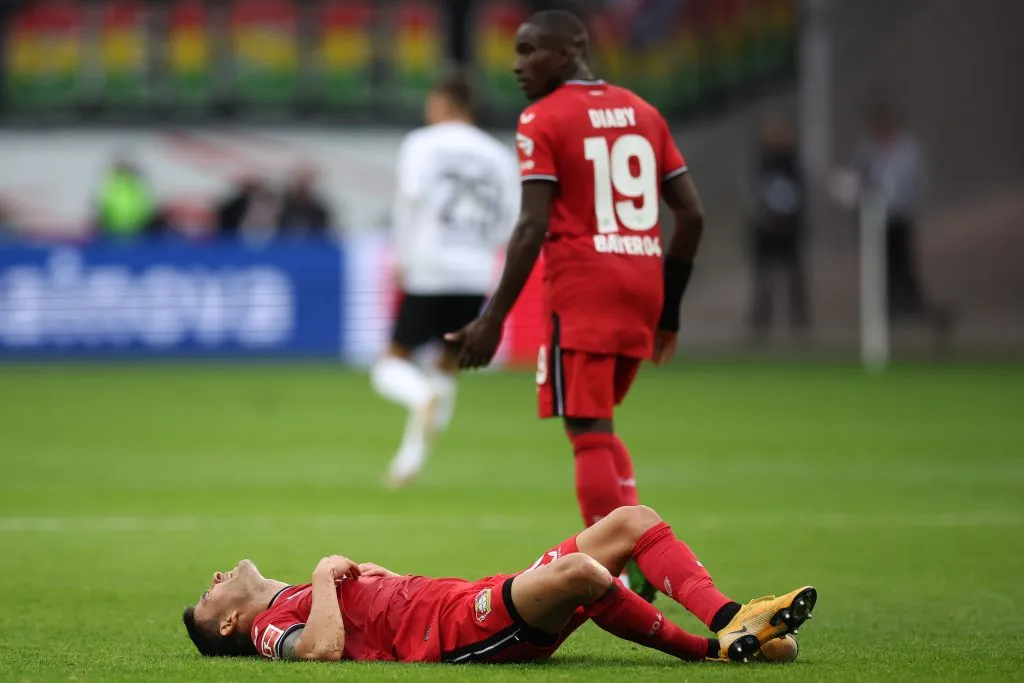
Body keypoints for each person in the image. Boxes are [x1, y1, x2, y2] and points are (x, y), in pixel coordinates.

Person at [445, 10, 705, 596]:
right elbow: (692, 214)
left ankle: (605, 572)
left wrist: (492, 321)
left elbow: (532, 226)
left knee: (587, 432)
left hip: (585, 288)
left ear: (569, 52)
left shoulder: (542, 118)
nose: (515, 64)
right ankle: (640, 547)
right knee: (600, 425)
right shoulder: (644, 112)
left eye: (529, 50)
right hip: (641, 285)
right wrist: (671, 308)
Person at [182, 505, 815, 664]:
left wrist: (367, 577)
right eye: (209, 597)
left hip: (465, 596)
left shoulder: (289, 597)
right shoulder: (268, 627)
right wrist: (326, 575)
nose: (214, 580)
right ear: (231, 624)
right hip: (458, 630)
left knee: (631, 522)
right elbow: (319, 650)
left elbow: (355, 619)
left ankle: (733, 618)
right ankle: (711, 654)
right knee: (582, 574)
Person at [370, 71, 519, 488]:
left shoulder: (422, 144)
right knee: (445, 367)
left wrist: (401, 254)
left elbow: (409, 200)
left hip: (429, 267)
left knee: (389, 367)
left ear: (443, 103)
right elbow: (509, 220)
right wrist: (482, 251)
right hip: (474, 271)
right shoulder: (498, 154)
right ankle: (408, 464)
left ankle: (419, 401)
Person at [743, 110, 809, 338]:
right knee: (763, 280)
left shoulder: (793, 163)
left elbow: (801, 196)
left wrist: (792, 220)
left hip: (789, 230)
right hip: (764, 230)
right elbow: (752, 196)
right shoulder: (760, 163)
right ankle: (760, 327)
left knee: (794, 279)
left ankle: (800, 327)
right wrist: (763, 219)